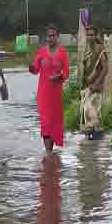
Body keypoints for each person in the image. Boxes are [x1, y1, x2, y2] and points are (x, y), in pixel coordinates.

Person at [29, 24, 70, 155]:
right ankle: (48, 153)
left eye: (53, 36)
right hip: (44, 93)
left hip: (56, 94)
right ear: (46, 37)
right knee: (45, 123)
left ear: (57, 37)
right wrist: (30, 67)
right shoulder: (41, 52)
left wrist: (60, 76)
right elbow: (35, 69)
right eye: (49, 36)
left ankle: (50, 152)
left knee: (53, 124)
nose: (51, 38)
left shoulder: (63, 52)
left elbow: (67, 71)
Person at [81, 25, 109, 139]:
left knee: (89, 110)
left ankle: (94, 128)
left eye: (92, 35)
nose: (89, 37)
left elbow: (105, 68)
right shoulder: (87, 51)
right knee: (92, 112)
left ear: (96, 36)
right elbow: (85, 71)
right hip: (87, 86)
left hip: (96, 86)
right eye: (88, 35)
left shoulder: (100, 49)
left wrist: (97, 84)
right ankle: (95, 146)